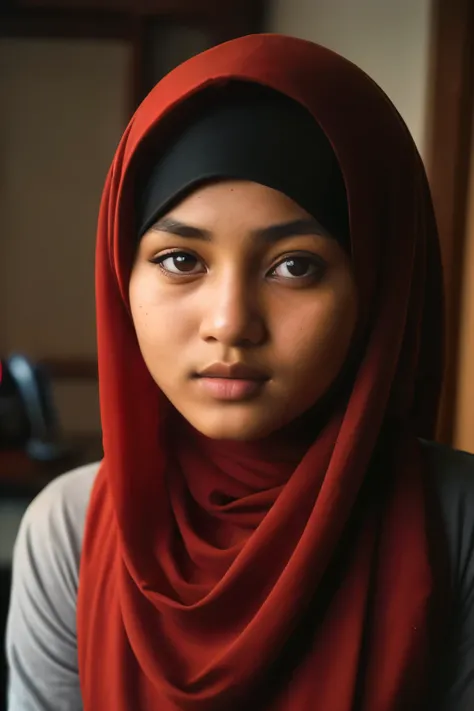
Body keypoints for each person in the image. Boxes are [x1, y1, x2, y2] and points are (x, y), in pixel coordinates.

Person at [5, 33, 474, 711]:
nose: (230, 322)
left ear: (376, 285)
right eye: (179, 260)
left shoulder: (454, 522)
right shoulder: (71, 531)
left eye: (294, 265)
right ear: (120, 275)